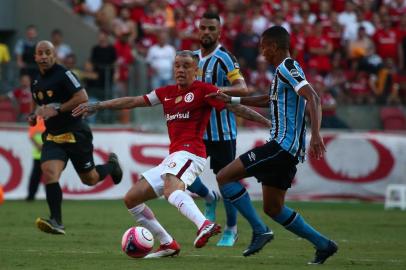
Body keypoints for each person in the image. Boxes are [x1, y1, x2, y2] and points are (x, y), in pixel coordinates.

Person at [72, 50, 271, 258]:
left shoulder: (205, 90)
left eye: (186, 66)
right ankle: (168, 243)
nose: (181, 70)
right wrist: (98, 105)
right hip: (174, 156)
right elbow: (133, 101)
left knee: (170, 189)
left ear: (196, 70)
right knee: (132, 198)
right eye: (177, 66)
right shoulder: (165, 92)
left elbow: (235, 108)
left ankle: (204, 224)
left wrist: (266, 122)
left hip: (192, 153)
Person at [209, 26, 338, 264]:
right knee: (273, 208)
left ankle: (260, 230)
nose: (261, 52)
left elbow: (314, 97)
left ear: (274, 46)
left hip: (281, 146)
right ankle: (324, 245)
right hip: (286, 151)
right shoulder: (283, 72)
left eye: (263, 46)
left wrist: (317, 134)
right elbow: (269, 99)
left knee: (224, 176)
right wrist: (232, 99)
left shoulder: (288, 67)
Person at [187, 11, 270, 250]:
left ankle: (231, 229)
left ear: (219, 31)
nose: (206, 32)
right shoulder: (191, 58)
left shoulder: (225, 58)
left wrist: (214, 90)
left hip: (222, 133)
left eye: (211, 29)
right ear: (198, 29)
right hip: (196, 132)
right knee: (184, 177)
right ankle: (208, 197)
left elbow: (242, 88)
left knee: (227, 183)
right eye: (203, 28)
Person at [29, 40, 123, 235]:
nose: (44, 56)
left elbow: (82, 97)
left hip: (76, 134)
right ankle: (57, 221)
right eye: (41, 53)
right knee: (49, 172)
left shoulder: (64, 74)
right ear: (35, 57)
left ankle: (112, 166)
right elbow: (39, 103)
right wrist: (33, 115)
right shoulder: (36, 81)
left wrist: (59, 109)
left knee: (89, 179)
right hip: (54, 136)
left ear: (54, 55)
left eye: (48, 52)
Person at [26, 116, 46, 201]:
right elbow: (31, 135)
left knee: (50, 176)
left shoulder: (51, 118)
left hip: (47, 153)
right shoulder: (35, 119)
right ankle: (31, 195)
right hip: (40, 154)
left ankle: (51, 196)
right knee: (36, 176)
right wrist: (39, 146)